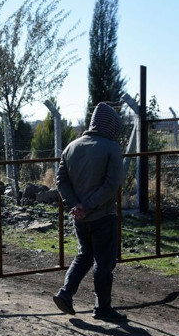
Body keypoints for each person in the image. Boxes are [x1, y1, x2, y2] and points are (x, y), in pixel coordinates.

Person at [53, 102, 127, 322]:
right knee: (104, 262)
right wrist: (89, 205)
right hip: (103, 215)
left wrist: (75, 205)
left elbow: (61, 181)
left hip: (80, 218)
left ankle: (65, 294)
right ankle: (102, 308)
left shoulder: (71, 147)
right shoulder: (111, 147)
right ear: (110, 124)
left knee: (85, 255)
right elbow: (112, 184)